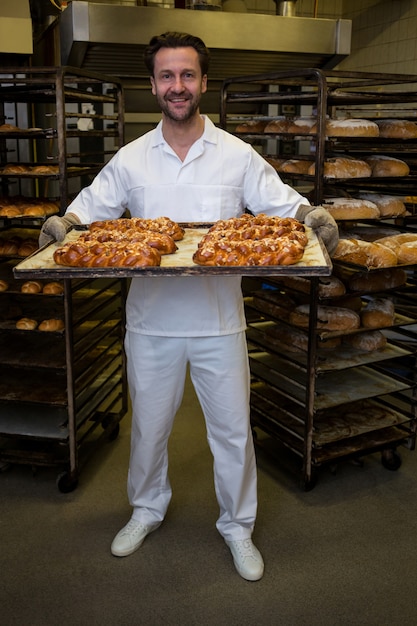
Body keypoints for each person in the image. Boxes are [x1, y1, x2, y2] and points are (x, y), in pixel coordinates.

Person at [40, 31, 338, 582]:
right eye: (167, 76)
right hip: (150, 323)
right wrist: (65, 226)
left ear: (202, 82)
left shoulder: (235, 154)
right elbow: (89, 209)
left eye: (187, 75)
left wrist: (313, 217)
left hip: (219, 322)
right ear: (153, 85)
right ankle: (146, 510)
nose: (178, 86)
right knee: (149, 428)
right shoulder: (131, 158)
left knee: (231, 430)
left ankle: (237, 526)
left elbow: (283, 204)